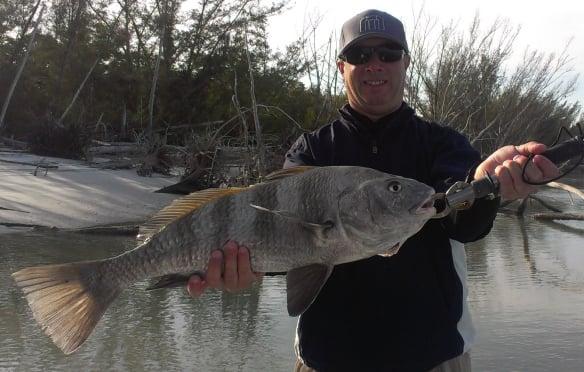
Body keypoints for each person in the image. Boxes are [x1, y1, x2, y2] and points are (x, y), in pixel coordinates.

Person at [186, 9, 559, 372]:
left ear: (406, 62)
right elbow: (282, 240)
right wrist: (244, 270)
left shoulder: (443, 144)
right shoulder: (312, 151)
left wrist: (488, 185)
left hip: (434, 359)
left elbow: (463, 223)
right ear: (341, 67)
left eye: (388, 53)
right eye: (359, 54)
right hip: (325, 361)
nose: (374, 63)